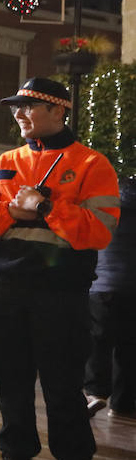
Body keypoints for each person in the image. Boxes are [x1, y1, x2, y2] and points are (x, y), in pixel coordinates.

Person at [0, 77, 117, 460]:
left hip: (60, 297)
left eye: (29, 106)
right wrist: (12, 212)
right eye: (16, 108)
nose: (19, 115)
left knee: (63, 391)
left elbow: (99, 230)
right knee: (10, 387)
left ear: (59, 110)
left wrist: (47, 206)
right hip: (6, 291)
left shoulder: (92, 163)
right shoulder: (5, 162)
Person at [85, 176, 136, 420]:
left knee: (98, 342)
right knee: (128, 346)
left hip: (102, 285)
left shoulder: (105, 211)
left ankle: (96, 393)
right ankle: (122, 403)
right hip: (132, 289)